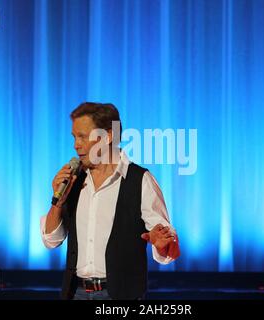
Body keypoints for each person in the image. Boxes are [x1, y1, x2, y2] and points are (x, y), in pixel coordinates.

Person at [40, 102, 180, 300]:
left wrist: (161, 243)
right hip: (75, 293)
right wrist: (57, 203)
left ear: (107, 136)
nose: (76, 145)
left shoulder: (140, 180)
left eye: (82, 136)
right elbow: (51, 240)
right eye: (74, 137)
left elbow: (166, 242)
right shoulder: (74, 179)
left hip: (119, 296)